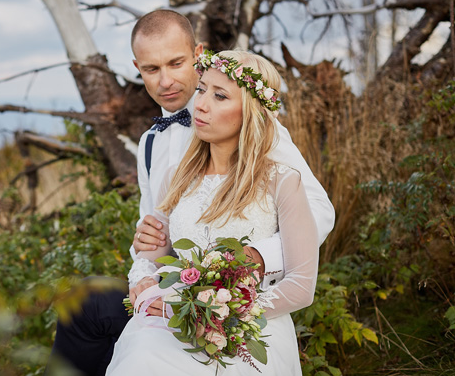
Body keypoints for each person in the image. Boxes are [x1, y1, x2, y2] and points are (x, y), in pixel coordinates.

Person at [45, 10, 334, 375]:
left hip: (231, 304)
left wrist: (247, 260)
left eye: (176, 63)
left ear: (198, 54)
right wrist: (143, 276)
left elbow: (320, 212)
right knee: (84, 302)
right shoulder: (151, 144)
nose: (165, 81)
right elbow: (151, 231)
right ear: (137, 68)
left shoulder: (256, 128)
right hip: (169, 296)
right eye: (151, 69)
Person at [105, 50, 318, 375]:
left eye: (219, 96)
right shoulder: (175, 177)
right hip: (172, 321)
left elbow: (302, 285)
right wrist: (145, 277)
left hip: (248, 330)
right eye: (202, 89)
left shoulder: (281, 181)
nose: (200, 104)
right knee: (141, 359)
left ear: (250, 111)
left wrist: (226, 313)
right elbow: (153, 253)